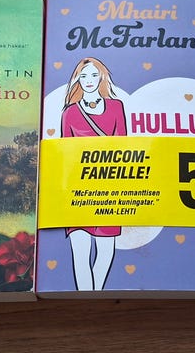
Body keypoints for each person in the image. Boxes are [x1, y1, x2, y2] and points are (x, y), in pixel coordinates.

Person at [61, 57, 127, 291]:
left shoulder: (117, 107)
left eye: (93, 75)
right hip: (78, 191)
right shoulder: (70, 113)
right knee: (80, 252)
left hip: (109, 190)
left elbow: (123, 147)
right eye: (83, 76)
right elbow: (66, 154)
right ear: (77, 80)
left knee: (106, 251)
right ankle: (84, 299)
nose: (88, 80)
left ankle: (95, 296)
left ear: (102, 78)